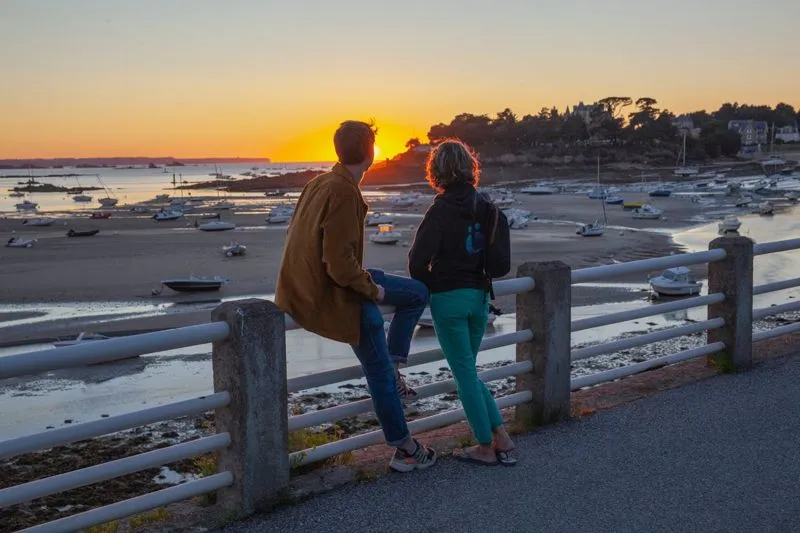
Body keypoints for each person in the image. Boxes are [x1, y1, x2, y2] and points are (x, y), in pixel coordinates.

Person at [275, 120, 436, 472]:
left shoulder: (320, 182)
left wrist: (364, 280)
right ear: (371, 153)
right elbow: (338, 265)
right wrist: (372, 289)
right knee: (376, 372)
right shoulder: (344, 191)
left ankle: (396, 364)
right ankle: (405, 449)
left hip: (318, 281)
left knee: (415, 293)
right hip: (335, 290)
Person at [408, 139, 517, 466]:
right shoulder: (488, 208)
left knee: (465, 374)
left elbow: (417, 262)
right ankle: (501, 437)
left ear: (437, 171)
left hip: (449, 301)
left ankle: (486, 445)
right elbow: (499, 262)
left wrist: (433, 287)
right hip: (480, 298)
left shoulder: (440, 210)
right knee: (468, 370)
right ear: (471, 168)